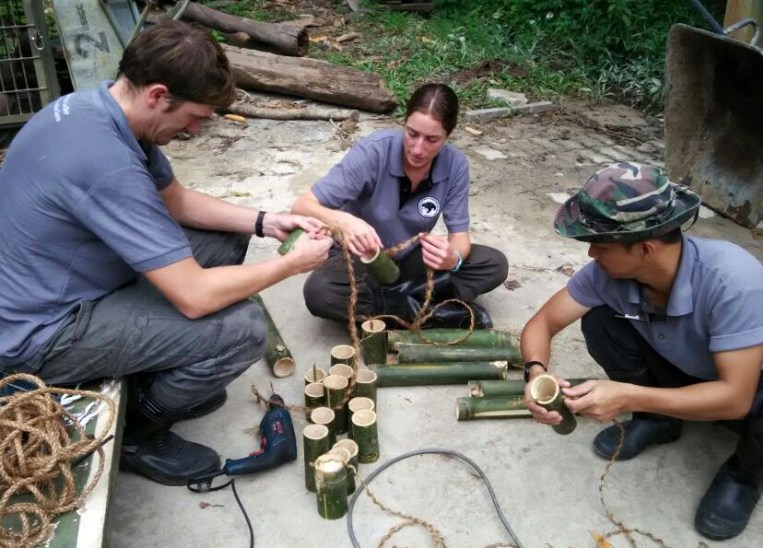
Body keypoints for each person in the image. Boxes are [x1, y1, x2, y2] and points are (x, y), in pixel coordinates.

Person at [0, 21, 332, 485]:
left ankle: (159, 376)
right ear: (158, 95)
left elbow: (175, 201)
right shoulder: (104, 163)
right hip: (40, 334)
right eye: (195, 116)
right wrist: (289, 265)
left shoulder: (100, 111)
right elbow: (194, 296)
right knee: (243, 330)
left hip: (66, 281)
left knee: (227, 238)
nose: (196, 129)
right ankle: (140, 431)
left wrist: (266, 221)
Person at [520, 162, 763, 540]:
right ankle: (657, 420)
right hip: (687, 371)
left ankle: (744, 476)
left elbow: (736, 398)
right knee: (600, 321)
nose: (590, 254)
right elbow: (543, 323)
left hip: (752, 394)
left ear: (645, 248)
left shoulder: (733, 279)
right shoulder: (609, 274)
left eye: (600, 245)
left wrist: (627, 396)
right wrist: (536, 373)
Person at [291, 83, 508, 328]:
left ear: (448, 135)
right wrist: (343, 221)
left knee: (493, 263)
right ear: (404, 123)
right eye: (412, 133)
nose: (417, 148)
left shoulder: (455, 164)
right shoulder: (374, 152)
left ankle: (395, 307)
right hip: (361, 261)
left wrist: (453, 258)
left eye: (432, 140)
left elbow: (459, 236)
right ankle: (430, 311)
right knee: (320, 292)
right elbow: (302, 207)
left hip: (409, 259)